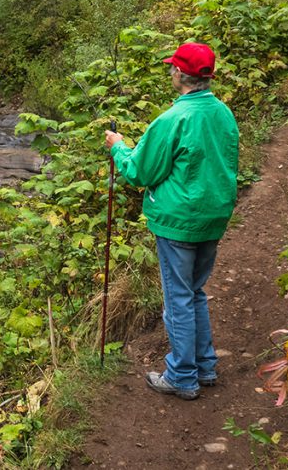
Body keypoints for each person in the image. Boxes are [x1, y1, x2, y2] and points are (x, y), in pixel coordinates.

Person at [104, 42, 239, 400]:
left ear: (179, 73)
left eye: (172, 67)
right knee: (195, 291)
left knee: (177, 297)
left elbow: (139, 171)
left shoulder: (172, 119)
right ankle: (204, 365)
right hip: (214, 215)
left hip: (178, 220)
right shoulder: (223, 114)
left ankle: (182, 375)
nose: (171, 71)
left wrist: (118, 146)